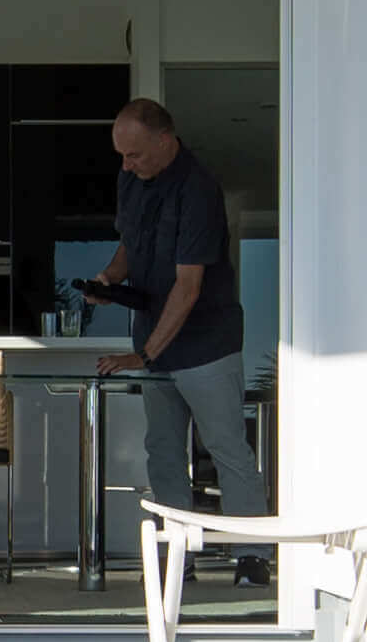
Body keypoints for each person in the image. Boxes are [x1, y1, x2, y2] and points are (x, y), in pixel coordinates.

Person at [87, 96, 272, 581]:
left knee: (225, 445)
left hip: (205, 343)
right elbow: (130, 242)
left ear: (165, 141)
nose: (126, 165)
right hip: (154, 338)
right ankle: (177, 554)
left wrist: (142, 354)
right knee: (164, 449)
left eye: (135, 155)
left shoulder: (199, 190)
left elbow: (188, 286)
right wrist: (108, 279)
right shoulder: (131, 179)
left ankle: (251, 556)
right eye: (122, 156)